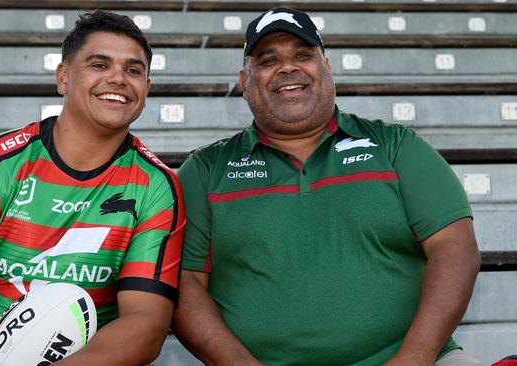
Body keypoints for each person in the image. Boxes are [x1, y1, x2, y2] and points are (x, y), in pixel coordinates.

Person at [172, 7, 481, 366]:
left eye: (303, 55)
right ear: (245, 81)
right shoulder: (206, 169)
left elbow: (455, 248)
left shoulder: (395, 146)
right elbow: (185, 283)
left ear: (327, 69)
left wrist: (412, 359)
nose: (287, 67)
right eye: (268, 60)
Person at [0, 10, 185, 366]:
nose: (118, 78)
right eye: (99, 65)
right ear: (64, 77)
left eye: (133, 70)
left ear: (146, 89)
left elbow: (146, 325)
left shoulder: (158, 187)